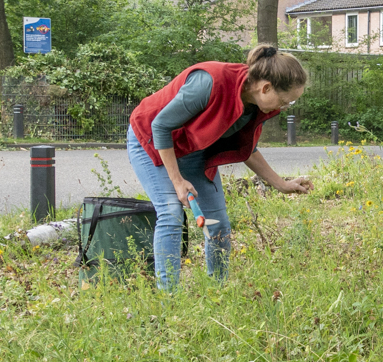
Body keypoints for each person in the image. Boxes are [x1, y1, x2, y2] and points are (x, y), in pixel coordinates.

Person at [127, 45, 314, 289]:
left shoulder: (252, 106)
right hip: (152, 140)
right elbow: (161, 126)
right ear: (266, 88)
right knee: (172, 214)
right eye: (286, 100)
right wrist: (177, 181)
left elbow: (248, 150)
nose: (285, 107)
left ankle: (218, 290)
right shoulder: (211, 83)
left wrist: (281, 184)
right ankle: (168, 298)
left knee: (219, 225)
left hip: (193, 150)